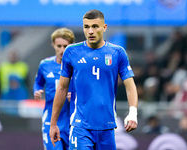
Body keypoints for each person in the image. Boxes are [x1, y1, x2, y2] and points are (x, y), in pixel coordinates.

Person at [50, 9, 138, 150]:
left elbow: (130, 86)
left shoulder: (117, 53)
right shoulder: (72, 52)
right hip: (80, 127)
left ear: (104, 27)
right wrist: (53, 123)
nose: (90, 31)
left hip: (107, 127)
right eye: (86, 27)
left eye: (95, 26)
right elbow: (62, 88)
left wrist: (133, 113)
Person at [33, 28, 75, 150]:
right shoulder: (45, 64)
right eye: (59, 46)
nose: (62, 50)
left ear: (71, 45)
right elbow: (38, 83)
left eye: (65, 46)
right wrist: (37, 90)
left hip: (72, 122)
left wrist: (75, 97)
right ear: (53, 45)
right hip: (50, 120)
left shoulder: (77, 66)